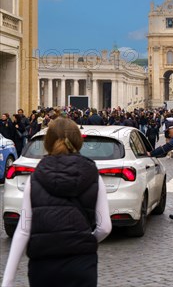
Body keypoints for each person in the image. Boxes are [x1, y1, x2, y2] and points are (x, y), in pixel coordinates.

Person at [2, 117, 111, 287]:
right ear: (77, 141)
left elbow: (23, 230)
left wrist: (7, 281)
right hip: (81, 264)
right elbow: (105, 227)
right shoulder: (93, 174)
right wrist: (83, 240)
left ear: (48, 142)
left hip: (43, 265)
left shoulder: (36, 176)